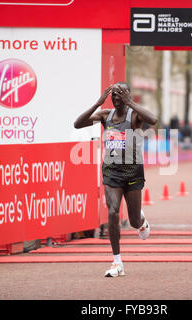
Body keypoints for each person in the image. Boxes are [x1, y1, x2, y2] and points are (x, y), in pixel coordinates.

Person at [74, 82, 157, 277]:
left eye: (121, 94)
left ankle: (142, 221)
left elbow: (153, 120)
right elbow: (77, 124)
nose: (116, 97)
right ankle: (117, 262)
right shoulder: (105, 116)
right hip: (111, 171)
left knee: (134, 220)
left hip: (132, 171)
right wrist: (97, 103)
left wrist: (132, 102)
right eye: (114, 94)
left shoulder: (134, 116)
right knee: (112, 211)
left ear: (127, 95)